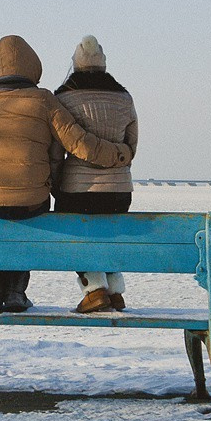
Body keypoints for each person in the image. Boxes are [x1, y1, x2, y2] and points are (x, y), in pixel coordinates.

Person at [0, 34, 134, 314]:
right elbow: (78, 143)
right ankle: (16, 291)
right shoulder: (45, 100)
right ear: (33, 66)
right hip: (34, 198)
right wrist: (119, 155)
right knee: (30, 215)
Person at [53, 34, 140, 313]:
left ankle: (94, 290)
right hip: (118, 191)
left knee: (74, 236)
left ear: (76, 65)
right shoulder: (124, 97)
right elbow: (131, 146)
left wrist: (55, 184)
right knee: (110, 235)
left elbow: (56, 151)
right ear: (103, 65)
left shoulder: (63, 98)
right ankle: (114, 292)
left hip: (76, 190)